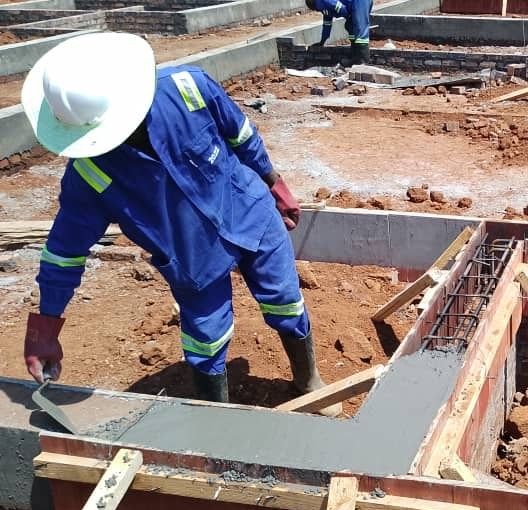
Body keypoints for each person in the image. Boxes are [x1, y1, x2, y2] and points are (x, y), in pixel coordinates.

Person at [20, 32, 326, 404]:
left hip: (249, 213)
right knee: (206, 339)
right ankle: (215, 417)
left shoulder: (187, 88)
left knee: (285, 301)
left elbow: (240, 135)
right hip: (191, 257)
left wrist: (274, 183)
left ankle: (308, 378)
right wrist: (46, 323)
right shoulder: (88, 175)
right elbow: (64, 253)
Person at [305, 0, 374, 64]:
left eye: (315, 9)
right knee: (350, 26)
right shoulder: (323, 3)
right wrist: (322, 42)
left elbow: (339, 7)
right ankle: (355, 57)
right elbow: (327, 24)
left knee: (360, 28)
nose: (317, 11)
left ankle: (363, 60)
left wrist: (348, 16)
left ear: (314, 5)